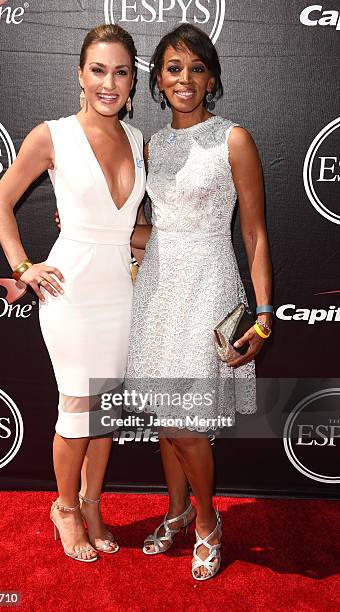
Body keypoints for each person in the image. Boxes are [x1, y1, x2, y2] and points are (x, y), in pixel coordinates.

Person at [0, 24, 146, 562]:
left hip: (121, 292)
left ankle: (94, 503)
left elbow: (133, 225)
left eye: (121, 72)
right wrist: (23, 266)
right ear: (80, 74)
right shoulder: (51, 135)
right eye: (98, 70)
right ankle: (64, 507)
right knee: (77, 404)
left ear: (132, 79)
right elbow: (0, 202)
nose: (110, 82)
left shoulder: (139, 140)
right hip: (71, 290)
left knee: (104, 409)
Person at [126, 24, 273, 580]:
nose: (184, 79)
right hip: (159, 286)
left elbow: (255, 235)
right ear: (158, 81)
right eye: (172, 68)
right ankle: (177, 509)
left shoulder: (233, 138)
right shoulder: (150, 145)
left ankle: (208, 522)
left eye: (195, 68)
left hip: (209, 283)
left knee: (186, 421)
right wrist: (101, 229)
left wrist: (262, 318)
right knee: (167, 417)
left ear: (211, 78)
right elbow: (151, 229)